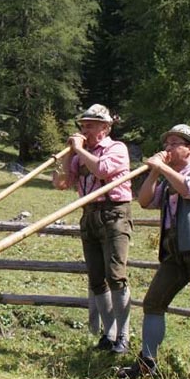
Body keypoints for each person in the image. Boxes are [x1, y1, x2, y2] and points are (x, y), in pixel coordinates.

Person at [117, 124, 190, 379]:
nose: (167, 148)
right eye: (166, 143)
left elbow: (189, 189)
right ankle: (147, 362)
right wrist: (154, 171)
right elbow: (143, 200)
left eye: (174, 143)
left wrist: (162, 169)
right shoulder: (166, 180)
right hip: (174, 253)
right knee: (153, 302)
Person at [52, 104, 133, 354]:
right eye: (82, 125)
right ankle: (108, 335)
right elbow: (61, 183)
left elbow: (102, 169)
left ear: (105, 128)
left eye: (90, 125)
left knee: (115, 275)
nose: (84, 129)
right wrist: (68, 155)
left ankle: (124, 335)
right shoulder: (78, 154)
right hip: (89, 215)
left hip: (113, 213)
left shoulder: (116, 148)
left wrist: (78, 149)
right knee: (97, 278)